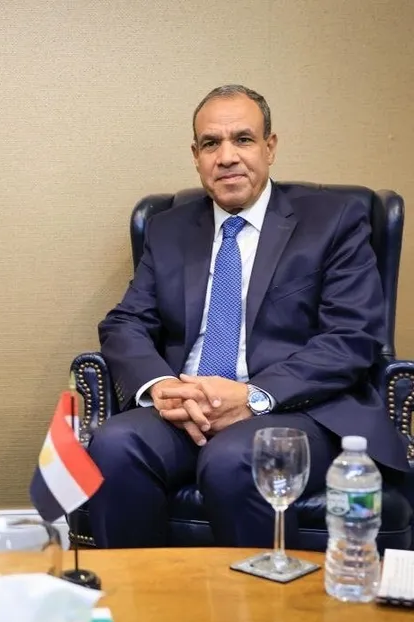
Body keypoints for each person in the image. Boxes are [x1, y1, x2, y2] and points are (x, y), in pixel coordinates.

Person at [87, 84, 410, 548]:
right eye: (211, 144)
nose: (227, 157)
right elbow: (126, 322)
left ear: (269, 147)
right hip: (188, 407)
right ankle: (140, 592)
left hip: (297, 408)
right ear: (196, 156)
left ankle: (262, 597)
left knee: (237, 457)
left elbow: (351, 337)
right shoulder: (169, 228)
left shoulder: (333, 220)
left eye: (243, 139)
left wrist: (253, 396)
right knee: (115, 444)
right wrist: (163, 387)